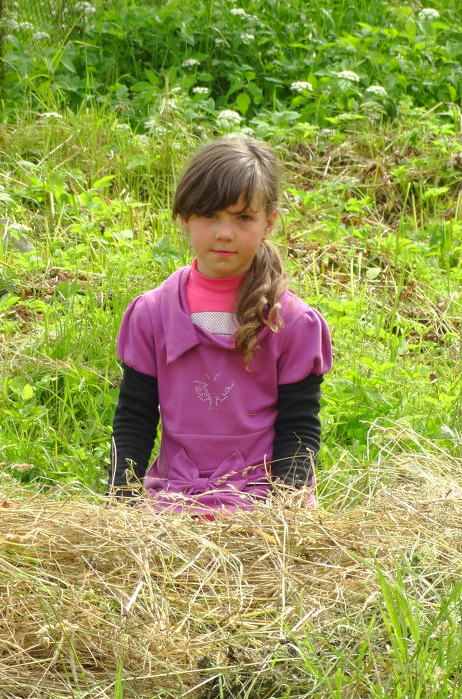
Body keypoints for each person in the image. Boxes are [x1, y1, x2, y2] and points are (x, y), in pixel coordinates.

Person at [109, 136, 332, 513]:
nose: (225, 233)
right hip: (172, 499)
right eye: (210, 215)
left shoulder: (291, 322)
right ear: (184, 217)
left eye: (243, 217)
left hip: (261, 501)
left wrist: (286, 509)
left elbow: (299, 425)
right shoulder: (152, 313)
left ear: (269, 223)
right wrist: (123, 500)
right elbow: (135, 416)